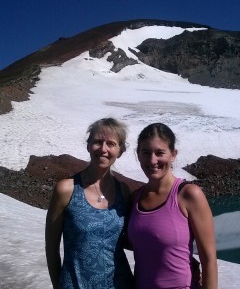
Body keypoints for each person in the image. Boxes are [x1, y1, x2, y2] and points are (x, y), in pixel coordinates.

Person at [45, 117, 134, 289]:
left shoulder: (123, 191)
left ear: (120, 150)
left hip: (120, 284)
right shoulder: (66, 190)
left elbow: (131, 240)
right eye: (98, 142)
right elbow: (51, 247)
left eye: (111, 144)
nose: (103, 149)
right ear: (88, 145)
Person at [127, 123, 218, 289]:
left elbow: (209, 259)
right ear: (138, 154)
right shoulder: (135, 198)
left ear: (173, 154)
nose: (152, 160)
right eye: (146, 153)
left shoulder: (188, 194)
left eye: (159, 153)